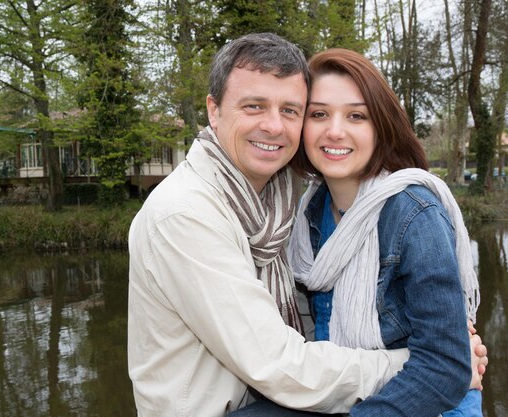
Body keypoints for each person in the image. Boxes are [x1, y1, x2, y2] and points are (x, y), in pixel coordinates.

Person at [127, 33, 486, 417]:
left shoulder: (287, 207)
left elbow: (438, 366)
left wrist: (443, 365)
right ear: (213, 110)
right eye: (253, 106)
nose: (273, 125)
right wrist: (433, 363)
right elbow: (280, 363)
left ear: (380, 125)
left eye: (290, 110)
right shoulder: (192, 214)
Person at [284, 48, 483, 416]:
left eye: (356, 115)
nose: (335, 130)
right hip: (343, 393)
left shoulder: (412, 212)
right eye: (319, 114)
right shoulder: (308, 212)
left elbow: (445, 365)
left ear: (381, 127)